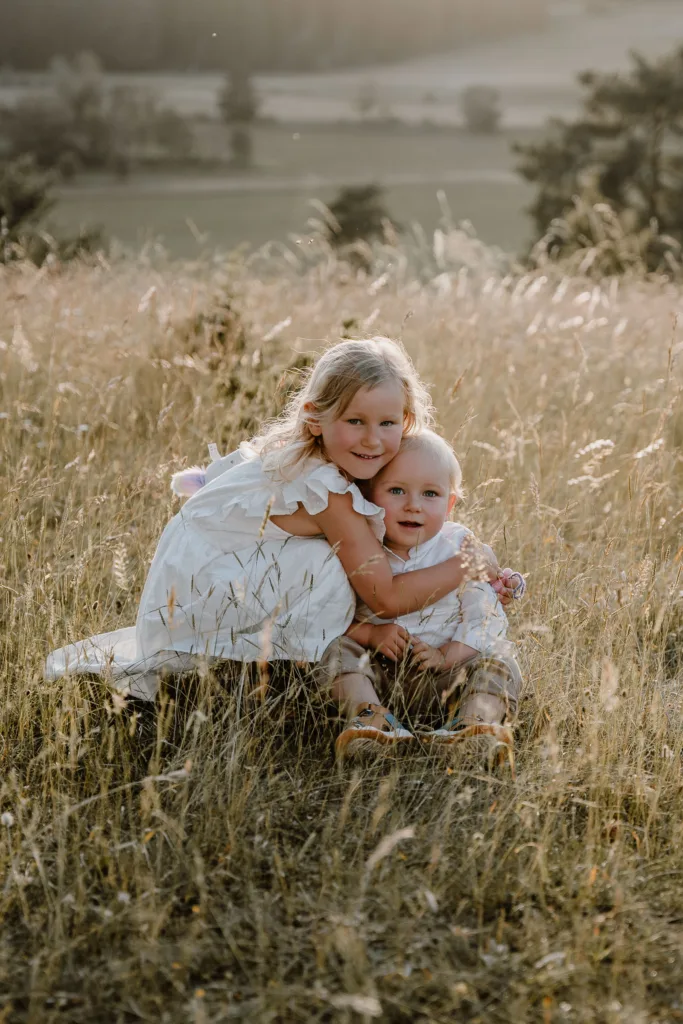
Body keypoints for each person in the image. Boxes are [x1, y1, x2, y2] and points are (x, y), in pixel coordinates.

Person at [46, 338, 513, 700]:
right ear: (314, 418)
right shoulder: (327, 491)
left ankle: (283, 663)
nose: (373, 439)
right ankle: (269, 674)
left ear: (406, 422)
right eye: (355, 421)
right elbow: (386, 595)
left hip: (195, 584)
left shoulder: (316, 460)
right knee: (333, 569)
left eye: (387, 423)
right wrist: (465, 566)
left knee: (342, 562)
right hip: (203, 590)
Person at [318, 430, 523, 764]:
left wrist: (445, 656)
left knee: (500, 662)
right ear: (368, 495)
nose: (413, 505)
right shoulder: (360, 546)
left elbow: (484, 618)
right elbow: (329, 618)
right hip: (379, 677)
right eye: (397, 490)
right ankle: (372, 721)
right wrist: (371, 634)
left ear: (449, 504)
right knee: (336, 651)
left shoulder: (459, 547)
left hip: (449, 679)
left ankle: (473, 725)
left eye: (430, 494)